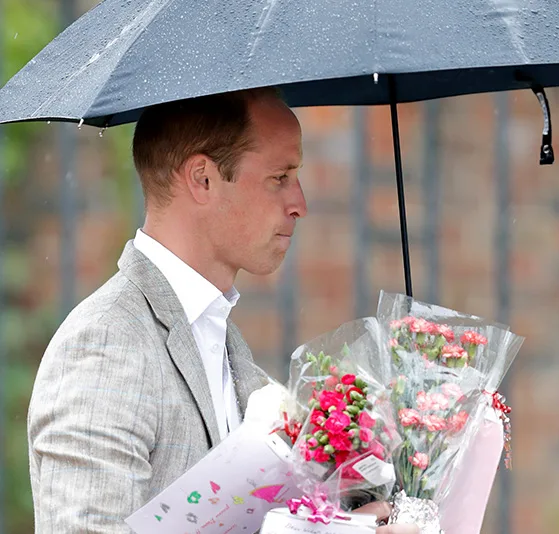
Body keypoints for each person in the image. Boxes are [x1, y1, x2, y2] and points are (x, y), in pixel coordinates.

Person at [27, 88, 418, 534]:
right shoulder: (106, 342)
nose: (300, 204)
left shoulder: (226, 344)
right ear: (202, 178)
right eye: (280, 176)